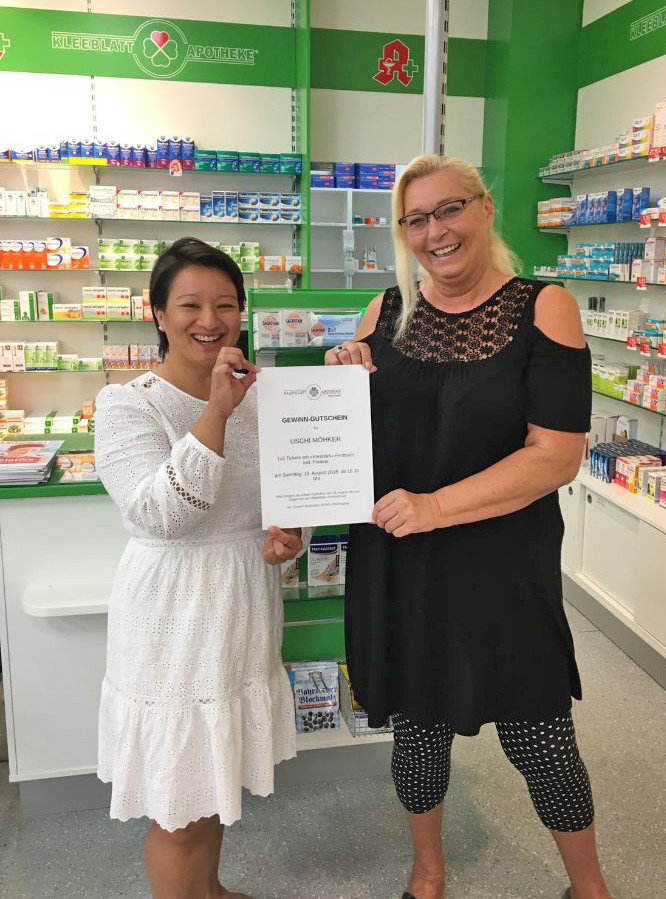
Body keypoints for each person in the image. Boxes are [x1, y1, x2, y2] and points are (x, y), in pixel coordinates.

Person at [326, 155, 612, 899]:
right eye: (416, 219)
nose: (436, 231)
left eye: (449, 209)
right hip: (403, 564)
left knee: (541, 735)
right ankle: (428, 870)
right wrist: (340, 383)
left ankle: (588, 885)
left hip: (501, 562)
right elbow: (362, 440)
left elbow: (555, 456)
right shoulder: (385, 312)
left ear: (484, 208)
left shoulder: (543, 307)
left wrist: (435, 506)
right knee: (418, 734)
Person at [95, 237, 302, 899]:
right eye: (189, 305)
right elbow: (162, 514)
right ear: (158, 313)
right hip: (174, 616)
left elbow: (275, 500)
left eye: (225, 304)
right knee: (178, 804)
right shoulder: (127, 404)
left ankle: (208, 890)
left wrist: (290, 534)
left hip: (242, 604)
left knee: (213, 780)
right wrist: (216, 410)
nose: (209, 320)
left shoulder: (260, 397)